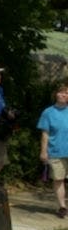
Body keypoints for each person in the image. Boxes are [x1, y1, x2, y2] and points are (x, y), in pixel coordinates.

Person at [37, 83, 68, 218]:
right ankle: (62, 207)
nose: (63, 95)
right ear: (56, 94)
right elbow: (45, 133)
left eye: (66, 93)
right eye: (61, 92)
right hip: (55, 151)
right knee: (58, 179)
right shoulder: (48, 112)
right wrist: (43, 151)